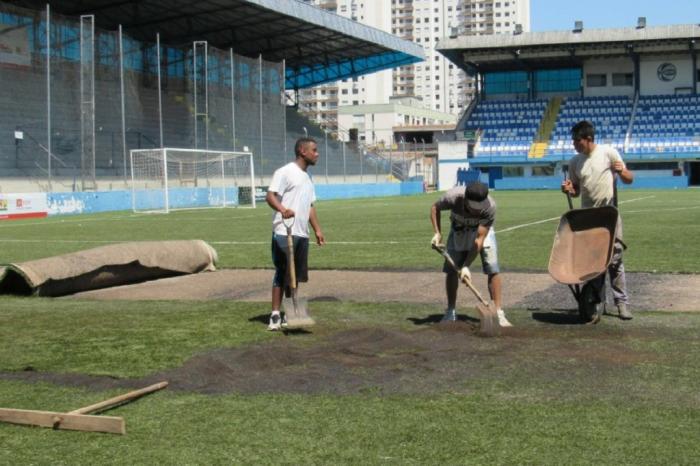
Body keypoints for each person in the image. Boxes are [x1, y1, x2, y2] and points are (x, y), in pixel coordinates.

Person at [561, 120, 634, 320]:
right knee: (593, 262)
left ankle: (622, 304)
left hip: (610, 214)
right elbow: (575, 191)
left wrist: (621, 171)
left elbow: (629, 179)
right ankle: (597, 302)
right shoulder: (575, 162)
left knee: (615, 260)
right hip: (588, 217)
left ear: (589, 139)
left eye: (577, 140)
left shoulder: (609, 153)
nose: (574, 144)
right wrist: (569, 189)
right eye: (573, 141)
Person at [430, 180, 511, 327]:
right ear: (466, 199)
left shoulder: (489, 208)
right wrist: (437, 233)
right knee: (451, 271)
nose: (477, 211)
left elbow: (479, 240)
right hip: (458, 230)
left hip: (481, 233)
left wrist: (466, 266)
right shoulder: (453, 197)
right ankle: (451, 311)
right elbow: (435, 208)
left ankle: (498, 312)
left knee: (492, 268)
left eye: (480, 207)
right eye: (474, 207)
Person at [265, 137, 325, 330]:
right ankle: (275, 315)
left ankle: (290, 313)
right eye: (314, 150)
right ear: (302, 150)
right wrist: (283, 210)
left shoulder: (308, 178)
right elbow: (270, 195)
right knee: (283, 272)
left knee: (295, 276)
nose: (317, 154)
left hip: (301, 233)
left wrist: (317, 229)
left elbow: (310, 206)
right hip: (284, 231)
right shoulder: (285, 172)